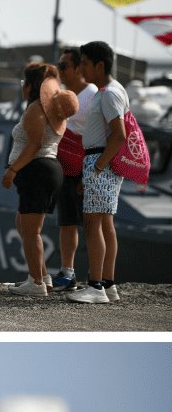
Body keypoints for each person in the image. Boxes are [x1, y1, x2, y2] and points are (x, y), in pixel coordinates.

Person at [3, 63, 75, 297]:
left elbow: (34, 145)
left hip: (37, 170)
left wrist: (12, 170)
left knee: (32, 231)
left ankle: (35, 283)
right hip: (45, 170)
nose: (22, 86)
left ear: (31, 86)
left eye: (25, 82)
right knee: (22, 223)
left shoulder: (36, 110)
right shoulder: (53, 113)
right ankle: (43, 276)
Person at [67, 40, 127, 305]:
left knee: (93, 224)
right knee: (105, 224)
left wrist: (99, 165)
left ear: (99, 65)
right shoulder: (112, 90)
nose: (82, 70)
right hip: (101, 160)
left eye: (86, 65)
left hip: (100, 159)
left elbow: (119, 134)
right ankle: (108, 282)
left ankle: (95, 286)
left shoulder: (109, 93)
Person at [52, 47, 98, 291]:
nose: (60, 70)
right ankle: (67, 272)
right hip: (66, 169)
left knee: (92, 225)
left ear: (79, 68)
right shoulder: (65, 95)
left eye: (64, 66)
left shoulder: (93, 96)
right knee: (67, 222)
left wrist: (90, 172)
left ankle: (96, 277)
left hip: (86, 170)